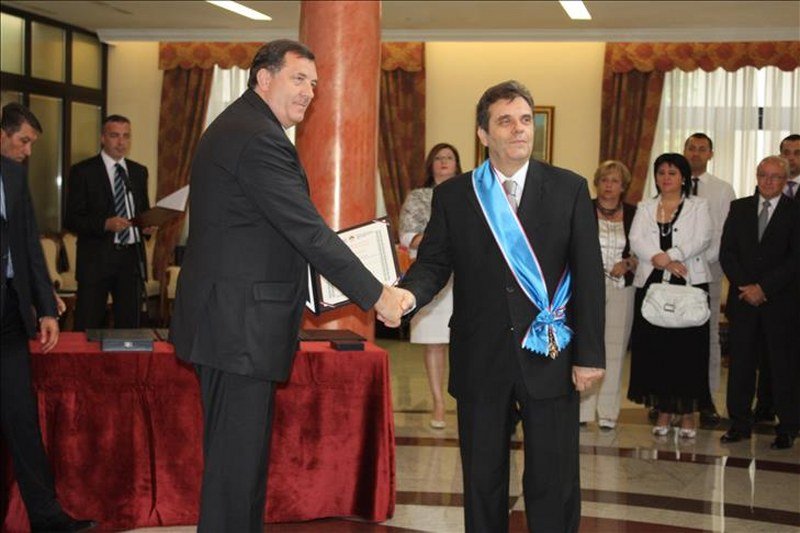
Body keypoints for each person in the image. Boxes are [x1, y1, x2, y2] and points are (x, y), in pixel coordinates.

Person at [169, 40, 407, 532]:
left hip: (232, 325)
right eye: (298, 79)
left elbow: (275, 232)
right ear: (264, 78)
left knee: (241, 468)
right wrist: (377, 294)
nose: (308, 92)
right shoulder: (257, 137)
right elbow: (307, 231)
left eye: (314, 84)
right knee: (236, 473)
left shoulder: (246, 127)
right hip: (238, 329)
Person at [398, 80, 605, 532]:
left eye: (525, 120)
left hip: (550, 352)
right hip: (481, 356)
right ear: (483, 134)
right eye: (505, 121)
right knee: (482, 478)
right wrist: (407, 295)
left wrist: (590, 355)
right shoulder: (455, 195)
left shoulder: (569, 188)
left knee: (553, 478)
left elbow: (589, 276)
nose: (519, 129)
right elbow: (433, 264)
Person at [1, 103, 96, 532]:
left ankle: (48, 519)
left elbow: (28, 247)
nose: (27, 151)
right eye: (23, 141)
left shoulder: (15, 177)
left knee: (22, 421)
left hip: (8, 314)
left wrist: (44, 306)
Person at [627, 153, 713, 439]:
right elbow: (636, 239)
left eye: (672, 173)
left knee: (687, 352)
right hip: (652, 281)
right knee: (657, 351)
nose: (666, 178)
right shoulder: (645, 206)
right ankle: (663, 411)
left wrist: (673, 256)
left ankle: (688, 414)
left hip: (688, 280)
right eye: (661, 172)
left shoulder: (698, 206)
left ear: (684, 178)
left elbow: (702, 238)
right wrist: (661, 260)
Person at [719, 155, 800, 450]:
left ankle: (787, 426)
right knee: (740, 364)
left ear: (785, 180)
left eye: (775, 176)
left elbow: (795, 259)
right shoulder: (739, 208)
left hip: (781, 302)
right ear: (756, 176)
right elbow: (727, 253)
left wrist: (764, 288)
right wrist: (747, 287)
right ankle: (739, 423)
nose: (768, 181)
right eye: (763, 175)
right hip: (744, 300)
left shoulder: (795, 211)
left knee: (782, 367)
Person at [64, 115, 154, 330]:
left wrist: (147, 227)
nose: (121, 142)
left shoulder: (138, 172)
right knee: (88, 324)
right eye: (115, 136)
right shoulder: (83, 171)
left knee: (129, 327)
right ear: (103, 138)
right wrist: (104, 224)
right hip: (96, 260)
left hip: (131, 260)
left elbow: (142, 211)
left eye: (126, 136)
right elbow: (72, 219)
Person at [398, 143, 462, 429]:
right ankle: (438, 403)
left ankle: (465, 402)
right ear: (430, 164)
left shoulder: (469, 193)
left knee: (466, 344)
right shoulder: (418, 197)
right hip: (431, 277)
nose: (444, 162)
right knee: (434, 343)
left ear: (457, 164)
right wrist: (442, 238)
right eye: (438, 158)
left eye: (449, 158)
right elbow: (407, 237)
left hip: (465, 277)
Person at [683, 133, 736, 427]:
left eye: (702, 149)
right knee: (675, 338)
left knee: (709, 337)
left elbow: (725, 232)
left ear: (710, 154)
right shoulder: (671, 183)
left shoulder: (722, 189)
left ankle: (707, 401)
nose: (696, 153)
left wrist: (702, 262)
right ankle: (673, 399)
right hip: (675, 272)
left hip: (709, 270)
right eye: (691, 148)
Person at [579, 160, 637, 430]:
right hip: (586, 289)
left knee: (614, 349)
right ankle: (582, 410)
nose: (609, 186)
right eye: (604, 180)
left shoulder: (635, 214)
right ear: (596, 183)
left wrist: (628, 263)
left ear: (623, 186)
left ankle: (608, 412)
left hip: (621, 288)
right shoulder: (583, 209)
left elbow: (644, 250)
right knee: (587, 348)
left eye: (615, 181)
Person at [780, 134, 800, 201]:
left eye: (797, 153)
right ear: (780, 156)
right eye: (786, 153)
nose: (791, 158)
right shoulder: (767, 185)